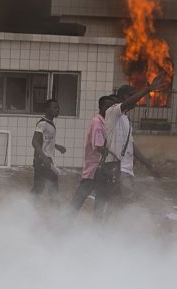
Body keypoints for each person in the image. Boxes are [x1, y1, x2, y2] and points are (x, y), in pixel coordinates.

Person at [97, 74, 166, 213]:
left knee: (117, 205)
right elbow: (127, 104)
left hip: (125, 170)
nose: (137, 100)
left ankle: (110, 232)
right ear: (124, 97)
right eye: (133, 96)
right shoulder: (113, 112)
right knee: (125, 205)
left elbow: (131, 146)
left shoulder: (125, 119)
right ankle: (115, 232)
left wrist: (149, 165)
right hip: (117, 169)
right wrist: (147, 90)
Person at [69, 95, 115, 216]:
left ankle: (96, 229)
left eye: (111, 107)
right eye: (106, 106)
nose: (109, 109)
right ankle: (64, 223)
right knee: (80, 198)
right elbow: (100, 147)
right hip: (95, 169)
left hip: (101, 170)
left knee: (99, 200)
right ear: (100, 107)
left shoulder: (105, 122)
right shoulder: (97, 122)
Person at [30, 99, 65, 206]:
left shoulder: (50, 123)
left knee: (40, 188)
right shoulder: (42, 123)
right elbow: (35, 141)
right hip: (43, 162)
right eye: (54, 107)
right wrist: (44, 158)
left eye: (58, 107)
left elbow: (45, 141)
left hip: (47, 161)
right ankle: (27, 210)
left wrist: (56, 146)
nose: (57, 110)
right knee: (48, 189)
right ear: (47, 109)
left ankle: (27, 209)